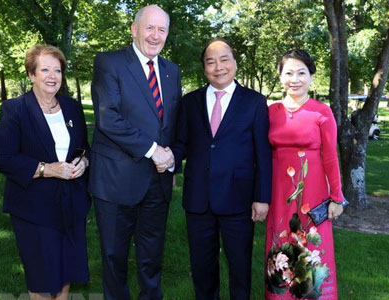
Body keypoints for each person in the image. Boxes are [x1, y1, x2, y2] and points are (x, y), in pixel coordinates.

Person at [89, 5, 181, 300]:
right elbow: (109, 119)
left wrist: (171, 159)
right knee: (114, 258)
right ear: (134, 29)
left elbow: (172, 123)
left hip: (157, 182)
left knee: (152, 258)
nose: (155, 36)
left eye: (162, 30)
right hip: (116, 181)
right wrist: (154, 151)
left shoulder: (171, 71)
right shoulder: (110, 63)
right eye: (149, 28)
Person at [170, 38, 272, 300]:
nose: (218, 67)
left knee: (240, 266)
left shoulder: (255, 102)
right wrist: (169, 165)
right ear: (204, 67)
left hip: (238, 199)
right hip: (198, 199)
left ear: (235, 63)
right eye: (210, 61)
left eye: (224, 59)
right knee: (202, 268)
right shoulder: (189, 102)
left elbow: (262, 153)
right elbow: (181, 143)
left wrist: (262, 197)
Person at [0, 45, 91, 300]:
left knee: (67, 271)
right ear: (31, 74)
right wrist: (47, 169)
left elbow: (84, 149)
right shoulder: (15, 109)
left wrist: (83, 163)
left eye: (57, 70)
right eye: (44, 69)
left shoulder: (72, 107)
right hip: (33, 207)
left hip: (72, 205)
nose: (52, 76)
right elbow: (3, 158)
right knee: (42, 277)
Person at [264, 49, 344, 300]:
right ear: (280, 77)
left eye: (301, 72)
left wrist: (337, 197)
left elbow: (331, 157)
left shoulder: (322, 112)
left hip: (313, 193)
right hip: (278, 193)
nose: (294, 79)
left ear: (311, 77)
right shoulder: (270, 112)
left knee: (311, 245)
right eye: (288, 73)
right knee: (280, 244)